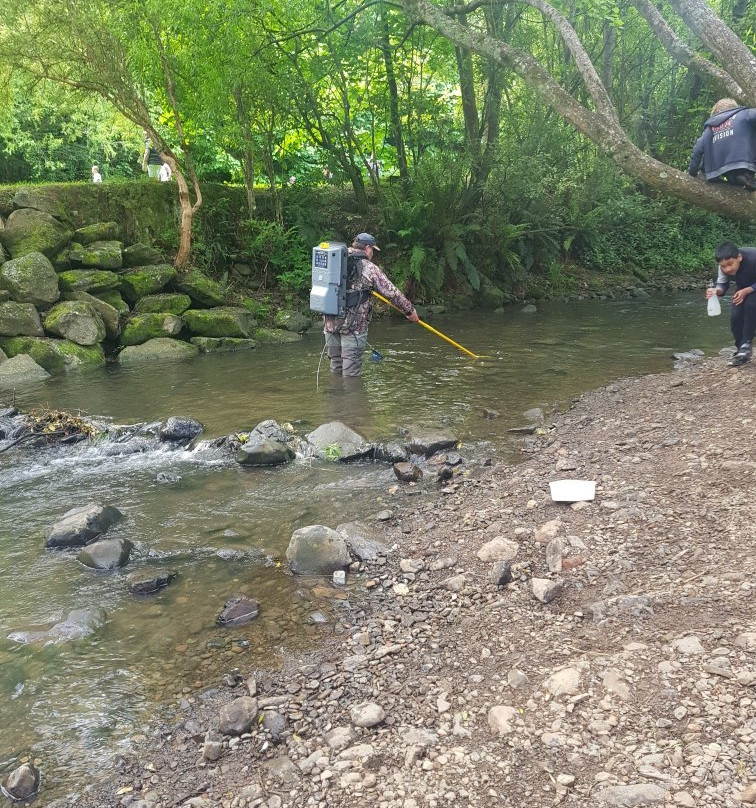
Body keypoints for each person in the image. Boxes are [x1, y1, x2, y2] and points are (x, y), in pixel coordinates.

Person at [323, 233, 419, 377]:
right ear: (367, 248)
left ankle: (335, 398)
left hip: (330, 325)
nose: (372, 253)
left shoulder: (333, 258)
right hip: (353, 328)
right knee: (351, 375)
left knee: (336, 367)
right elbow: (392, 292)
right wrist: (410, 311)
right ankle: (351, 399)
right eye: (373, 249)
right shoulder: (369, 268)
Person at [706, 242, 756, 366]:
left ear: (739, 257)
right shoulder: (723, 266)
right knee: (735, 316)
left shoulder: (753, 257)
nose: (727, 269)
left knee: (751, 305)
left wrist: (748, 290)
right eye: (723, 266)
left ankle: (746, 345)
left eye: (730, 264)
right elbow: (723, 284)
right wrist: (716, 291)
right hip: (743, 288)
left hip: (750, 289)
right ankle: (741, 351)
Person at [688, 99, 756, 190]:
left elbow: (698, 149)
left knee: (731, 170)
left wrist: (693, 172)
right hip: (744, 160)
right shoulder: (744, 113)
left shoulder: (710, 128)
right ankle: (745, 178)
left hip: (722, 168)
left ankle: (737, 178)